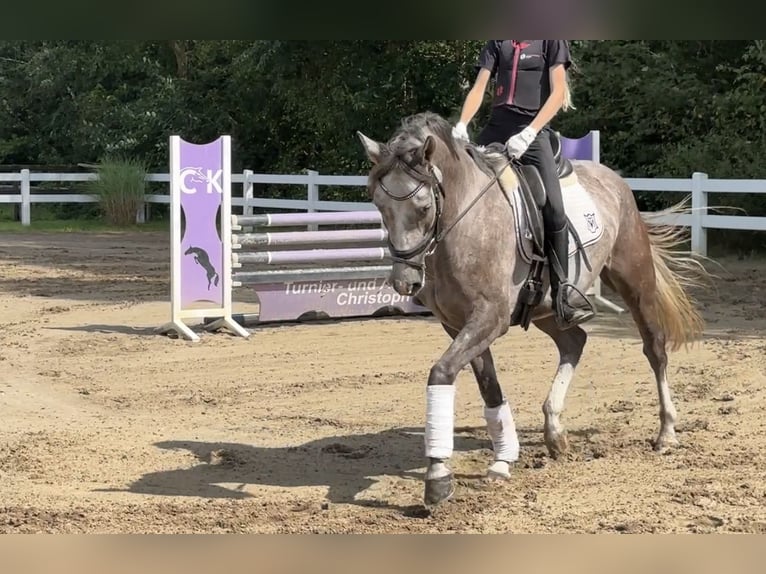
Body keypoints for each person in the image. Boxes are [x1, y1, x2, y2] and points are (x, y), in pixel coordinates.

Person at [452, 40, 595, 330]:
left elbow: (557, 95)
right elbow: (480, 87)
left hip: (533, 130)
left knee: (554, 209)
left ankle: (563, 294)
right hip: (496, 128)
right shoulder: (497, 42)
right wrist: (462, 124)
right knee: (460, 184)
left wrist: (529, 133)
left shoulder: (551, 41)